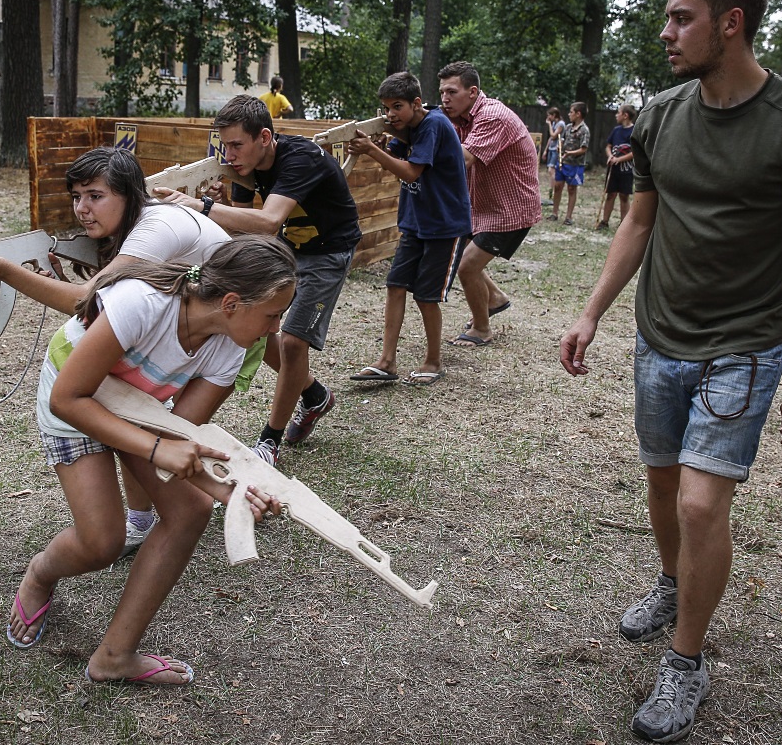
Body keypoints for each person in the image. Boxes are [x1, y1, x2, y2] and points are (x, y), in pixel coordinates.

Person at [558, 0, 782, 742]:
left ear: (732, 22)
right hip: (661, 338)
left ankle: (685, 662)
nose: (666, 32)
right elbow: (639, 223)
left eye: (681, 17)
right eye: (666, 17)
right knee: (661, 488)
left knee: (698, 501)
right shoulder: (658, 114)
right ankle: (669, 582)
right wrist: (592, 313)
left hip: (746, 345)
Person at [8, 236, 296, 685]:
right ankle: (41, 573)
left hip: (139, 412)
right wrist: (158, 450)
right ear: (233, 302)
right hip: (76, 399)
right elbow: (69, 398)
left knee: (191, 509)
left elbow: (175, 431)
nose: (275, 329)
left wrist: (229, 489)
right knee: (101, 544)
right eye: (273, 315)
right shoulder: (142, 303)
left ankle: (114, 657)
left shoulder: (231, 348)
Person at [0, 147, 232, 558]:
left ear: (131, 194)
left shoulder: (157, 226)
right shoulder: (139, 227)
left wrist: (6, 270)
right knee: (149, 432)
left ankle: (148, 516)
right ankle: (141, 519)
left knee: (164, 436)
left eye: (95, 196)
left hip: (225, 332)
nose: (82, 208)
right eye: (76, 196)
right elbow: (103, 295)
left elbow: (86, 299)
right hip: (190, 329)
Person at [153, 95, 363, 466]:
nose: (229, 155)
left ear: (264, 137)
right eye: (224, 145)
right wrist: (224, 205)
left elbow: (267, 220)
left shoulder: (300, 158)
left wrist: (202, 207)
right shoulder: (245, 166)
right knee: (257, 327)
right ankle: (314, 394)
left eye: (236, 145)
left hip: (329, 251)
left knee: (294, 343)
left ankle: (269, 443)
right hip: (286, 247)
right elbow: (249, 219)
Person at [345, 72, 472, 387]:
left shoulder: (434, 125)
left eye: (397, 107)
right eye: (386, 108)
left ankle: (433, 360)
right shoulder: (410, 129)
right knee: (395, 285)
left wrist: (372, 151)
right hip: (415, 223)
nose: (390, 114)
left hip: (444, 226)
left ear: (416, 103)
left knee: (427, 296)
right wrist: (382, 143)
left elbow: (411, 173)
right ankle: (386, 362)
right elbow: (397, 159)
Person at [437, 61, 541, 348]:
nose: (445, 99)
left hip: (509, 211)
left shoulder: (492, 116)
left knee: (467, 266)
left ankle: (482, 329)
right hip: (482, 208)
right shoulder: (462, 118)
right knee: (463, 256)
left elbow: (462, 159)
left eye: (451, 92)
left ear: (472, 92)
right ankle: (494, 298)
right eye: (442, 93)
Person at [598, 104, 636, 230]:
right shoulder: (616, 130)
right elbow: (608, 146)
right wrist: (610, 156)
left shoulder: (634, 131)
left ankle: (624, 224)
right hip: (613, 169)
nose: (616, 115)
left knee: (624, 195)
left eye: (618, 112)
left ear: (625, 115)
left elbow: (634, 152)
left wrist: (619, 159)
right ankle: (604, 221)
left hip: (627, 170)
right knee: (610, 194)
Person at [554, 101, 590, 226]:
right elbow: (563, 140)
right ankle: (555, 213)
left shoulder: (584, 130)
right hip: (563, 161)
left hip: (575, 164)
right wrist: (560, 147)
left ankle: (568, 216)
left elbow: (583, 149)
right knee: (557, 186)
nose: (569, 114)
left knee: (571, 189)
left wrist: (570, 153)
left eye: (571, 112)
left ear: (578, 114)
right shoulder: (568, 127)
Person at [544, 107, 566, 202]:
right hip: (551, 148)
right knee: (550, 171)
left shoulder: (561, 124)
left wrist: (549, 125)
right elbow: (550, 138)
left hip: (557, 149)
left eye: (549, 115)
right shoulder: (554, 123)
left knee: (551, 170)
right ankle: (551, 191)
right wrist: (546, 150)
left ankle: (553, 192)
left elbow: (553, 135)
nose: (548, 117)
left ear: (554, 115)